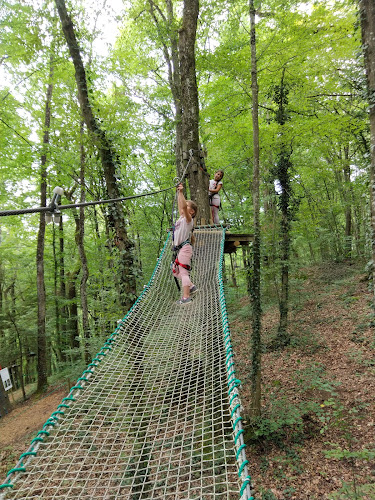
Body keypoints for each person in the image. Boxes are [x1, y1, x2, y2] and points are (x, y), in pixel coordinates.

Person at [172, 183, 198, 305]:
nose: (183, 208)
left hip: (185, 249)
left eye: (187, 206)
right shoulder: (181, 219)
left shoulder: (189, 220)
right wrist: (178, 193)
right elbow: (180, 206)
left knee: (183, 272)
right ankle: (191, 286)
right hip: (180, 250)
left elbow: (182, 207)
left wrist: (181, 192)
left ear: (191, 211)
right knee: (175, 271)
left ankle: (186, 297)